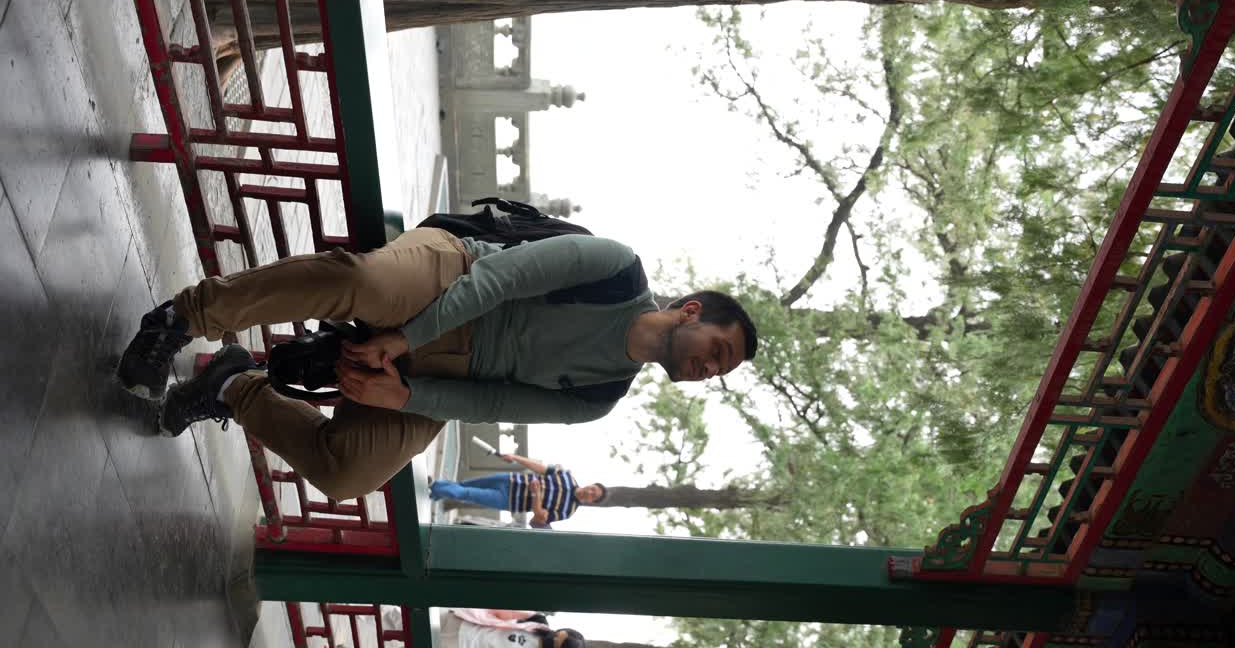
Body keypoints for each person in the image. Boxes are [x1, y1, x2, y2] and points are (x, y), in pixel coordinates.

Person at [115, 227, 758, 499]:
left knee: (349, 475)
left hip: (445, 377)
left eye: (719, 372)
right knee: (364, 281)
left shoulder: (601, 397)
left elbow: (495, 403)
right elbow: (502, 277)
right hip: (453, 277)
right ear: (691, 310)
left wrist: (404, 397)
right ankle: (184, 317)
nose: (710, 369)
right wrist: (405, 337)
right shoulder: (617, 269)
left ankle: (230, 386)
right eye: (718, 351)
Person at [431, 453, 604, 528]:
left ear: (590, 502)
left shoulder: (568, 511)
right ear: (591, 484)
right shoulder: (567, 475)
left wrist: (536, 495)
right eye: (592, 489)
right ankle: (436, 491)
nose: (589, 493)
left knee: (467, 494)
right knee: (464, 485)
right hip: (509, 479)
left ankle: (434, 486)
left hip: (507, 499)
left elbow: (540, 517)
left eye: (593, 496)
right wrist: (515, 458)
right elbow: (540, 468)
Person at [440, 608, 584, 648]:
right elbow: (502, 611)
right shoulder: (537, 621)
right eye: (557, 634)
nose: (553, 638)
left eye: (556, 643)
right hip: (462, 624)